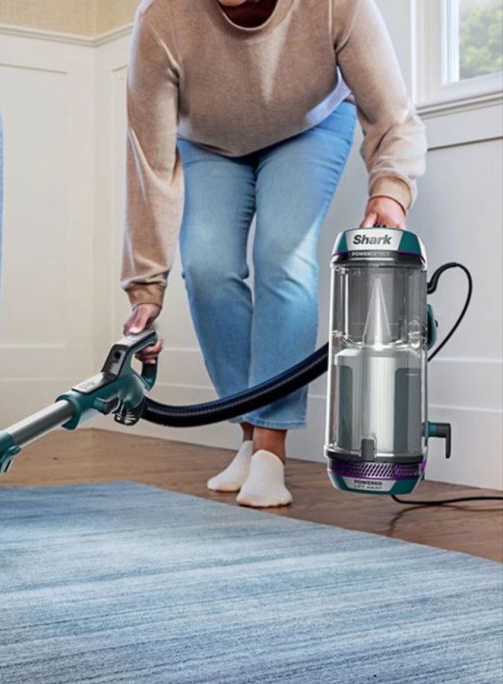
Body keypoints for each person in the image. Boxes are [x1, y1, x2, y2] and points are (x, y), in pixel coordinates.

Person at [121, 0, 427, 507]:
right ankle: (249, 435)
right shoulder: (162, 18)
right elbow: (150, 165)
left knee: (283, 257)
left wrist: (390, 189)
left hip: (309, 127)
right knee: (207, 267)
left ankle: (270, 451)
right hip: (210, 143)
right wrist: (146, 288)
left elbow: (393, 115)